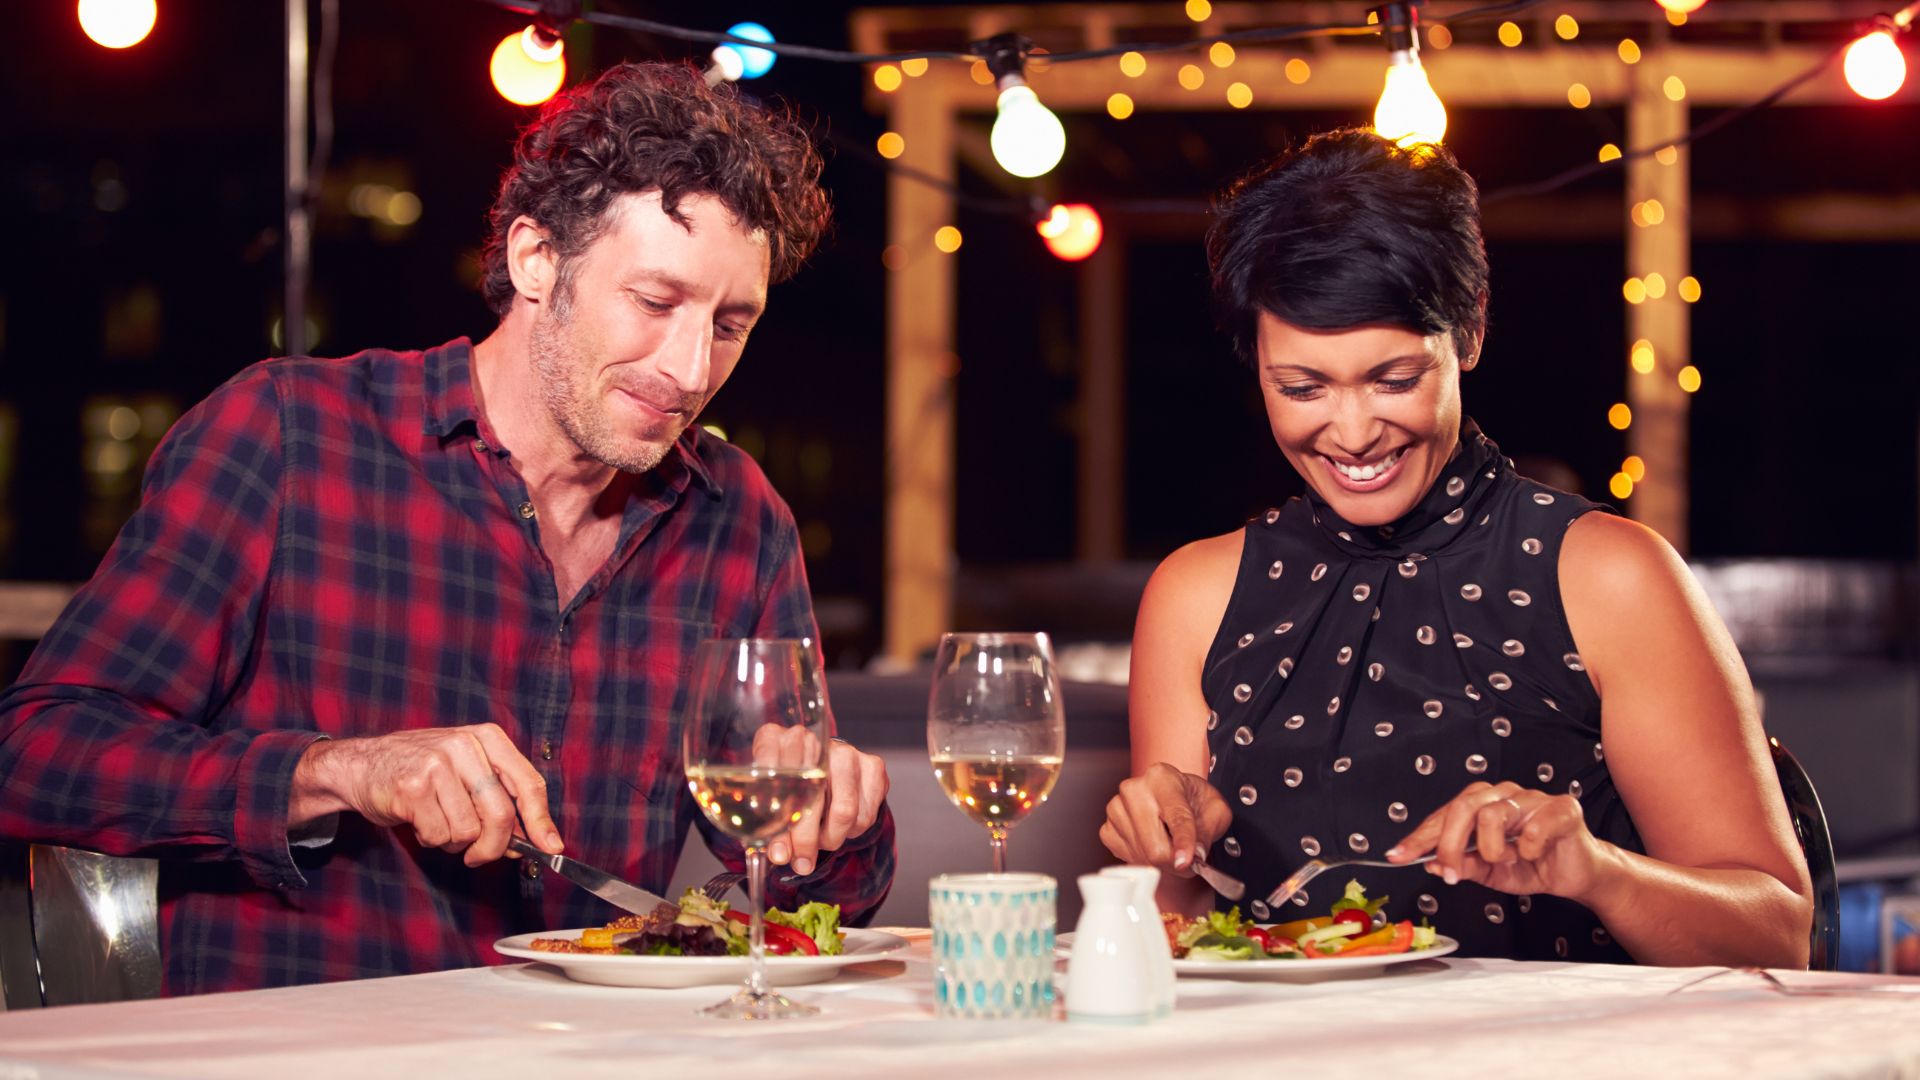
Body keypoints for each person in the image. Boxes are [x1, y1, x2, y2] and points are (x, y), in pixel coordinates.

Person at [0, 62, 894, 994]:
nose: (688, 366)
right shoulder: (290, 435)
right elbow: (34, 753)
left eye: (731, 324)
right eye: (657, 302)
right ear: (535, 261)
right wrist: (334, 771)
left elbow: (810, 904)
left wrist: (836, 819)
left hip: (590, 1061)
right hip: (303, 1053)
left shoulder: (738, 519)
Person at [1100, 129, 1812, 967]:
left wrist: (1598, 872)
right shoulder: (1195, 593)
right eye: (1301, 388)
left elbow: (1778, 932)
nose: (1354, 432)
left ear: (1469, 333)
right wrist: (1163, 851)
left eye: (1394, 380)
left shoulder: (1610, 575)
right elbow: (1175, 936)